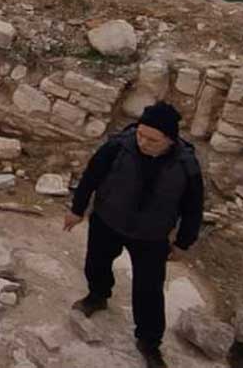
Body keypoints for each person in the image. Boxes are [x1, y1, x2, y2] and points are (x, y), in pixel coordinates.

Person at [62, 101, 204, 368]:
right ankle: (98, 296)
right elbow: (91, 175)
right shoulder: (119, 146)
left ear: (170, 139)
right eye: (140, 134)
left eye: (152, 139)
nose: (143, 142)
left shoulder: (186, 165)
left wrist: (184, 242)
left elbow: (193, 208)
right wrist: (77, 209)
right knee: (97, 263)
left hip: (151, 236)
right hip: (107, 221)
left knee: (149, 290)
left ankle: (149, 343)